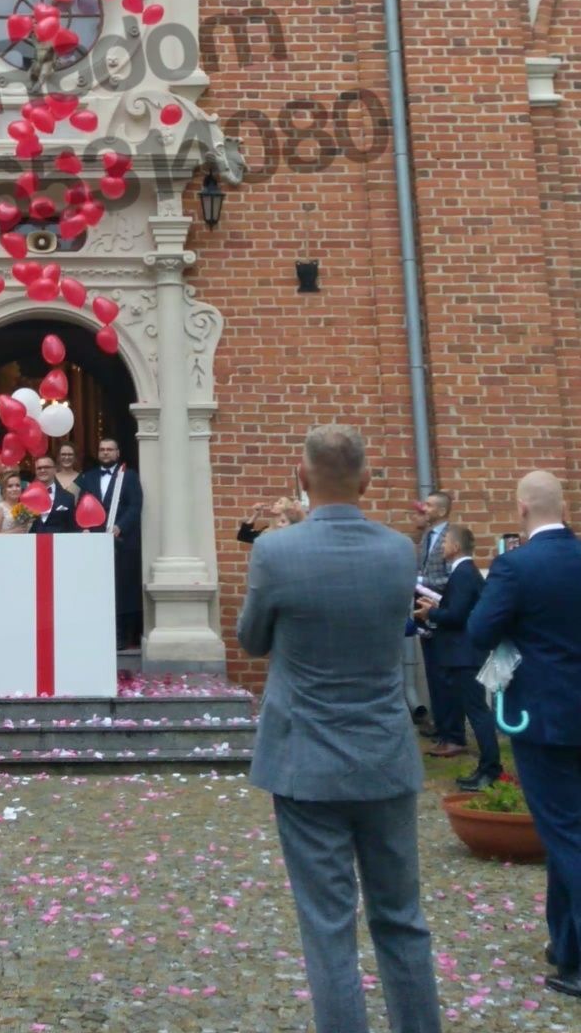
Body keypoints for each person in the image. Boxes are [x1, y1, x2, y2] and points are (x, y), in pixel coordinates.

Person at [237, 424, 442, 1033]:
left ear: (302, 478)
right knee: (401, 917)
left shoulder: (276, 551)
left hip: (305, 756)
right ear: (368, 479)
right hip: (383, 751)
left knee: (328, 928)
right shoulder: (398, 550)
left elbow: (250, 640)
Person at [468, 470, 581, 1000]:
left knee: (566, 834)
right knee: (567, 835)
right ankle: (566, 945)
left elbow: (480, 630)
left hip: (544, 718)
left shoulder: (516, 565)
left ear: (520, 509)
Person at [414, 524, 501, 789]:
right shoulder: (464, 573)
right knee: (475, 710)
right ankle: (487, 767)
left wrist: (431, 614)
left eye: (444, 543)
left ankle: (490, 768)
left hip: (465, 654)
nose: (441, 548)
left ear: (455, 546)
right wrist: (438, 607)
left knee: (477, 712)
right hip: (463, 653)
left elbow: (457, 616)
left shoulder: (463, 573)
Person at [78, 437, 143, 646]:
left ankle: (122, 635)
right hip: (94, 542)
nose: (105, 453)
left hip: (121, 541)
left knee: (122, 587)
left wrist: (120, 526)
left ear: (117, 453)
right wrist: (84, 527)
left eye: (109, 450)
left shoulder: (130, 476)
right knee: (97, 587)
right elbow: (80, 506)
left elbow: (135, 506)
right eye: (102, 449)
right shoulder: (87, 477)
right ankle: (97, 632)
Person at [414, 490, 453, 741]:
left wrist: (419, 581)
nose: (423, 509)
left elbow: (452, 575)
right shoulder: (427, 536)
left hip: (442, 612)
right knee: (433, 674)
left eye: (428, 505)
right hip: (424, 613)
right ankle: (440, 726)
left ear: (441, 511)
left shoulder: (452, 536)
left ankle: (451, 730)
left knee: (445, 675)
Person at [26, 454, 77, 535]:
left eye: (46, 467)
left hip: (60, 545)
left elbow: (73, 528)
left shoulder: (68, 497)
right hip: (33, 544)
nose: (42, 470)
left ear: (55, 470)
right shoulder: (27, 497)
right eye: (39, 468)